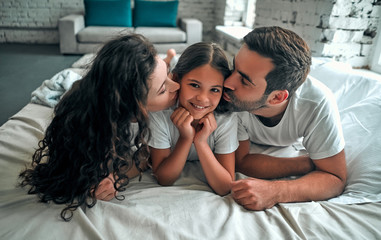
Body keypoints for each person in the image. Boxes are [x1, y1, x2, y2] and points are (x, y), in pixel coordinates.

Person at [19, 34, 180, 221]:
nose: (176, 86)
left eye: (168, 73)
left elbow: (146, 156)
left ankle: (169, 59)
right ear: (134, 105)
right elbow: (141, 158)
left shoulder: (151, 92)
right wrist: (112, 178)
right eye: (163, 90)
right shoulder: (93, 132)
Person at [223, 26, 347, 210]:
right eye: (234, 67)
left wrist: (276, 191)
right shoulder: (231, 98)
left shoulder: (315, 103)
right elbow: (241, 162)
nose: (227, 82)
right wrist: (305, 163)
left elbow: (335, 178)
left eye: (244, 80)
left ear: (276, 98)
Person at [149, 42, 238, 196]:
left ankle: (170, 58)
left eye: (214, 90)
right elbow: (164, 178)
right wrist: (186, 138)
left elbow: (224, 187)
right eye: (195, 85)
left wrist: (201, 142)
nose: (203, 99)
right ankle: (169, 60)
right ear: (177, 80)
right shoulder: (160, 114)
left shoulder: (226, 119)